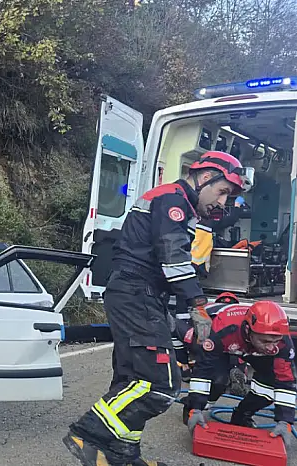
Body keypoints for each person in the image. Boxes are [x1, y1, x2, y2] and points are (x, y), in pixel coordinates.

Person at [63, 151, 252, 466]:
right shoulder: (172, 201)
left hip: (138, 294)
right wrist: (198, 305)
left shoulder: (180, 205)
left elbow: (170, 263)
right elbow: (172, 258)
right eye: (222, 192)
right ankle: (89, 433)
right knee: (160, 385)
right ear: (205, 176)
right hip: (137, 293)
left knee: (131, 381)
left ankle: (123, 453)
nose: (223, 202)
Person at [184, 301, 296, 448]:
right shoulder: (222, 329)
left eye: (275, 341)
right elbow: (203, 369)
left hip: (252, 349)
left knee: (270, 384)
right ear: (249, 329)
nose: (271, 347)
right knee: (218, 381)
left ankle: (242, 415)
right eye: (266, 341)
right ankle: (192, 406)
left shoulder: (281, 343)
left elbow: (285, 382)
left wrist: (285, 421)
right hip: (225, 346)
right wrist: (196, 407)